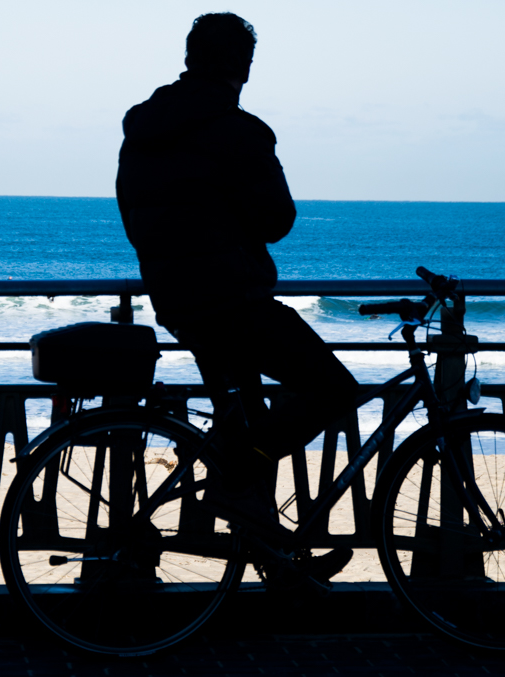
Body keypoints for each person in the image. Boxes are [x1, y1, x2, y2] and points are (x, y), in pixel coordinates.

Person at [115, 13, 358, 583]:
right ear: (241, 65)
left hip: (176, 298)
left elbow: (137, 215)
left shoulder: (144, 129)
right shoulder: (240, 130)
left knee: (245, 422)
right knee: (332, 389)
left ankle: (274, 555)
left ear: (190, 55)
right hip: (234, 300)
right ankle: (239, 483)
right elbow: (277, 219)